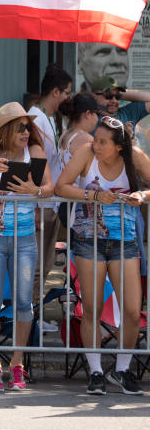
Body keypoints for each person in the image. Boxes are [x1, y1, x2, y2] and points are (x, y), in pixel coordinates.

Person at [55, 116, 148, 395]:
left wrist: (142, 195)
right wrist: (93, 196)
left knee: (132, 310)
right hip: (88, 239)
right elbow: (61, 187)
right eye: (95, 139)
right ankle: (95, 371)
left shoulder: (135, 157)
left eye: (103, 142)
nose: (95, 145)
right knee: (92, 308)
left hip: (125, 240)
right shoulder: (86, 153)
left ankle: (121, 369)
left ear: (120, 147)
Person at [0, 102, 54, 392]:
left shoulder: (36, 153)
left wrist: (36, 191)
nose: (27, 132)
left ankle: (17, 364)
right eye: (21, 127)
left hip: (25, 239)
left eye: (28, 127)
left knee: (22, 302)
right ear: (6, 131)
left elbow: (51, 188)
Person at [27, 65, 73, 311]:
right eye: (66, 92)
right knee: (36, 267)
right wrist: (37, 201)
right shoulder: (35, 117)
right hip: (40, 205)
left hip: (49, 203)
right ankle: (30, 319)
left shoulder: (49, 119)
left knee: (45, 267)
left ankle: (34, 315)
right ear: (56, 92)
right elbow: (35, 163)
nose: (68, 98)